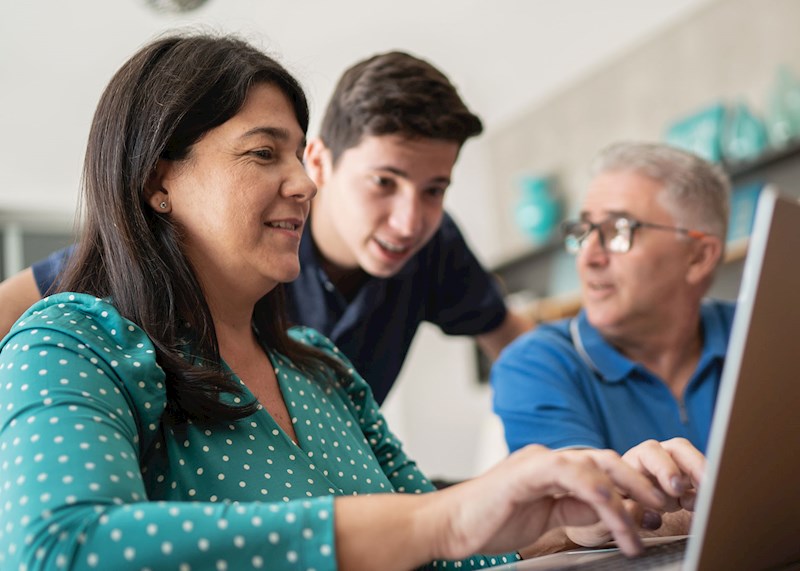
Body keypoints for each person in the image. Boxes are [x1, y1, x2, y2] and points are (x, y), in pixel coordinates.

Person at [0, 33, 705, 571]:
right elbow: (58, 545)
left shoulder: (324, 369)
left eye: (295, 153)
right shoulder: (72, 340)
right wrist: (442, 521)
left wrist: (571, 513)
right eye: (262, 154)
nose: (302, 183)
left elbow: (438, 540)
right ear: (159, 180)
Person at [0, 49, 536, 406]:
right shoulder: (96, 316)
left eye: (434, 190)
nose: (409, 220)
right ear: (322, 163)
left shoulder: (435, 249)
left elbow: (514, 343)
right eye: (383, 182)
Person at [491, 141, 733, 457]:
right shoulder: (534, 364)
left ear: (699, 257)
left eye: (619, 230)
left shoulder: (766, 330)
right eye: (585, 230)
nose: (588, 256)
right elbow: (575, 501)